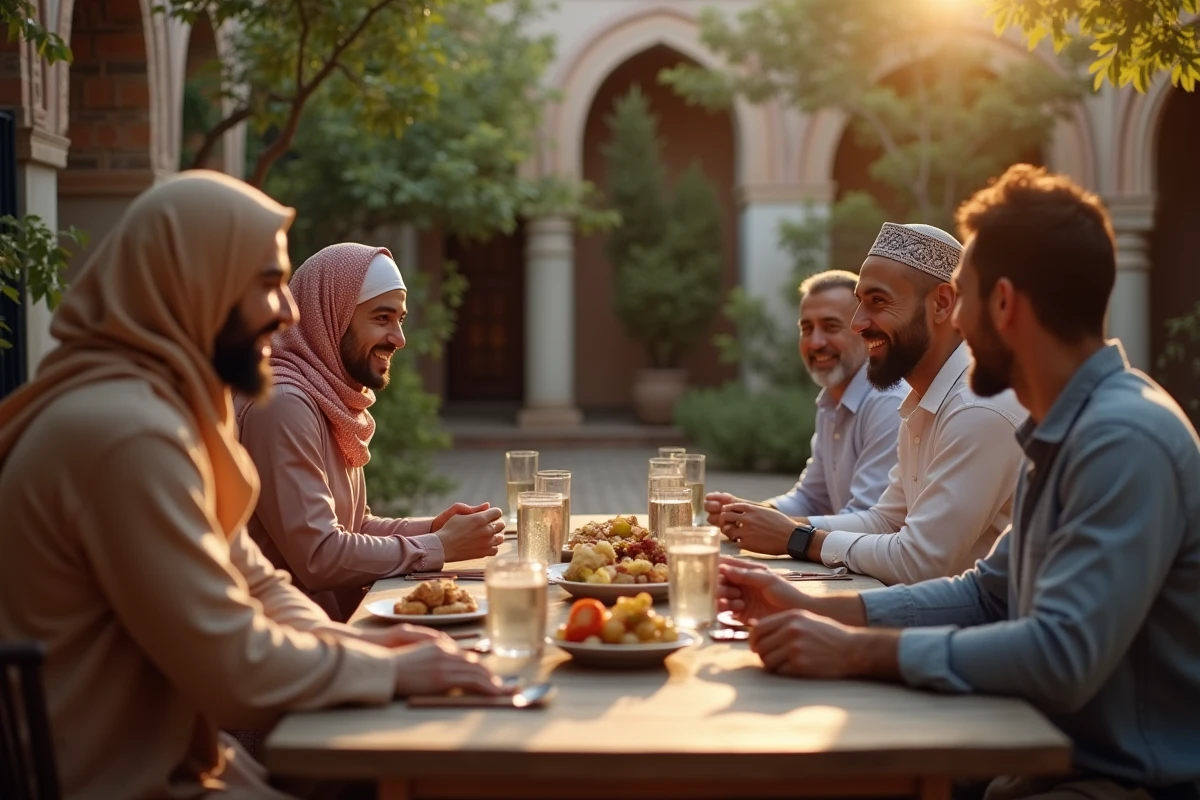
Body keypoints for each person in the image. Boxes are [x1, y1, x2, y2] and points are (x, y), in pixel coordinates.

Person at [0, 172, 508, 800]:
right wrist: (387, 667)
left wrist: (360, 648)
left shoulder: (158, 411)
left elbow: (257, 580)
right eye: (269, 285)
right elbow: (228, 660)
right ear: (196, 285)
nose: (291, 312)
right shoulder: (124, 433)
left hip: (191, 761)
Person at [719, 165, 1200, 800]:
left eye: (963, 297)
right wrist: (813, 607)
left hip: (1117, 781)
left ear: (1002, 304)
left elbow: (1060, 657)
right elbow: (986, 596)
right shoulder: (1064, 429)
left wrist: (855, 651)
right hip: (1032, 756)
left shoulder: (1122, 439)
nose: (959, 327)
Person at [720, 222, 1027, 585]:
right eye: (860, 302)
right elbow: (885, 520)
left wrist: (796, 538)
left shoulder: (978, 408)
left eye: (878, 301)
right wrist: (777, 525)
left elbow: (917, 561)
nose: (857, 323)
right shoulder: (923, 402)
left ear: (942, 304)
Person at [235, 243, 504, 621]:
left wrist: (432, 527)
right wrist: (438, 546)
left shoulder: (326, 396)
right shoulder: (283, 405)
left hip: (342, 630)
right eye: (382, 318)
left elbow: (355, 526)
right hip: (298, 648)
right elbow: (320, 556)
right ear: (332, 317)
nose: (399, 338)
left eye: (400, 319)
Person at [704, 270, 905, 551]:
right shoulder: (830, 402)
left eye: (831, 326)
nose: (815, 342)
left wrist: (783, 531)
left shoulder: (887, 401)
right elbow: (811, 498)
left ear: (864, 331)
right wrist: (749, 512)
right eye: (806, 328)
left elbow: (874, 522)